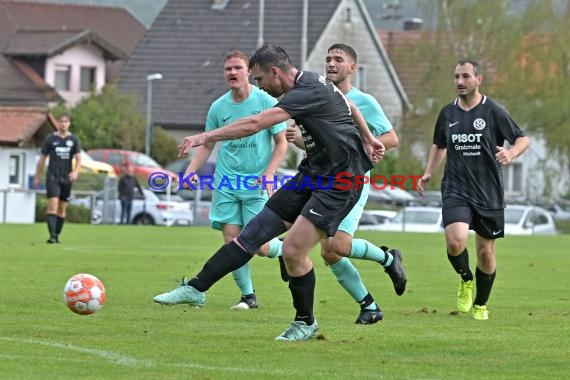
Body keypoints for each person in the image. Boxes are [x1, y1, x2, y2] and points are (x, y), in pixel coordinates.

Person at [153, 44, 397, 341]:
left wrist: (206, 136)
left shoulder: (305, 91)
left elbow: (255, 124)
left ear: (275, 72)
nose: (260, 86)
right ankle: (194, 288)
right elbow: (351, 106)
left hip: (341, 182)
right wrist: (370, 138)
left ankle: (306, 323)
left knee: (294, 250)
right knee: (251, 235)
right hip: (313, 175)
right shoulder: (312, 81)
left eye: (260, 80)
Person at [279, 43, 407, 324]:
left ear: (352, 68)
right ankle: (370, 306)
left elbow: (391, 138)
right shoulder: (316, 97)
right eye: (327, 59)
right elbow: (322, 144)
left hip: (352, 179)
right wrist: (299, 140)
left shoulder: (365, 101)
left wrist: (361, 147)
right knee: (329, 251)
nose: (331, 64)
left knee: (336, 245)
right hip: (322, 179)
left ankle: (388, 259)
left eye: (338, 59)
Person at [417, 59, 529, 320]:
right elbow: (439, 145)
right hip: (456, 188)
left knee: (485, 253)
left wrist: (511, 153)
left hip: (488, 191)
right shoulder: (447, 113)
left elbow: (523, 139)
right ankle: (466, 279)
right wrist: (429, 172)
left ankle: (480, 304)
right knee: (456, 242)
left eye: (466, 76)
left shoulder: (493, 111)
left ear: (479, 79)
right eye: (456, 76)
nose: (459, 81)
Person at [179, 50, 288, 309]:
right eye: (228, 69)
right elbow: (207, 143)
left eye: (238, 68)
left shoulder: (265, 101)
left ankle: (283, 250)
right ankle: (248, 296)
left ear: (248, 72)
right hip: (226, 182)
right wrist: (191, 169)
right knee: (232, 241)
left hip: (256, 184)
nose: (232, 73)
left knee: (259, 246)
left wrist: (270, 172)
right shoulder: (218, 107)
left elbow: (281, 143)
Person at [34, 114, 82, 243]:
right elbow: (42, 159)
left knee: (62, 209)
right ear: (58, 124)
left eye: (66, 121)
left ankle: (57, 234)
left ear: (69, 124)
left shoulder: (74, 140)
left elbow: (79, 159)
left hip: (66, 178)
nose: (63, 123)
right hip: (52, 177)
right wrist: (37, 176)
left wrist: (76, 172)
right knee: (52, 206)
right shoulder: (50, 139)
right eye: (61, 121)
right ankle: (52, 236)